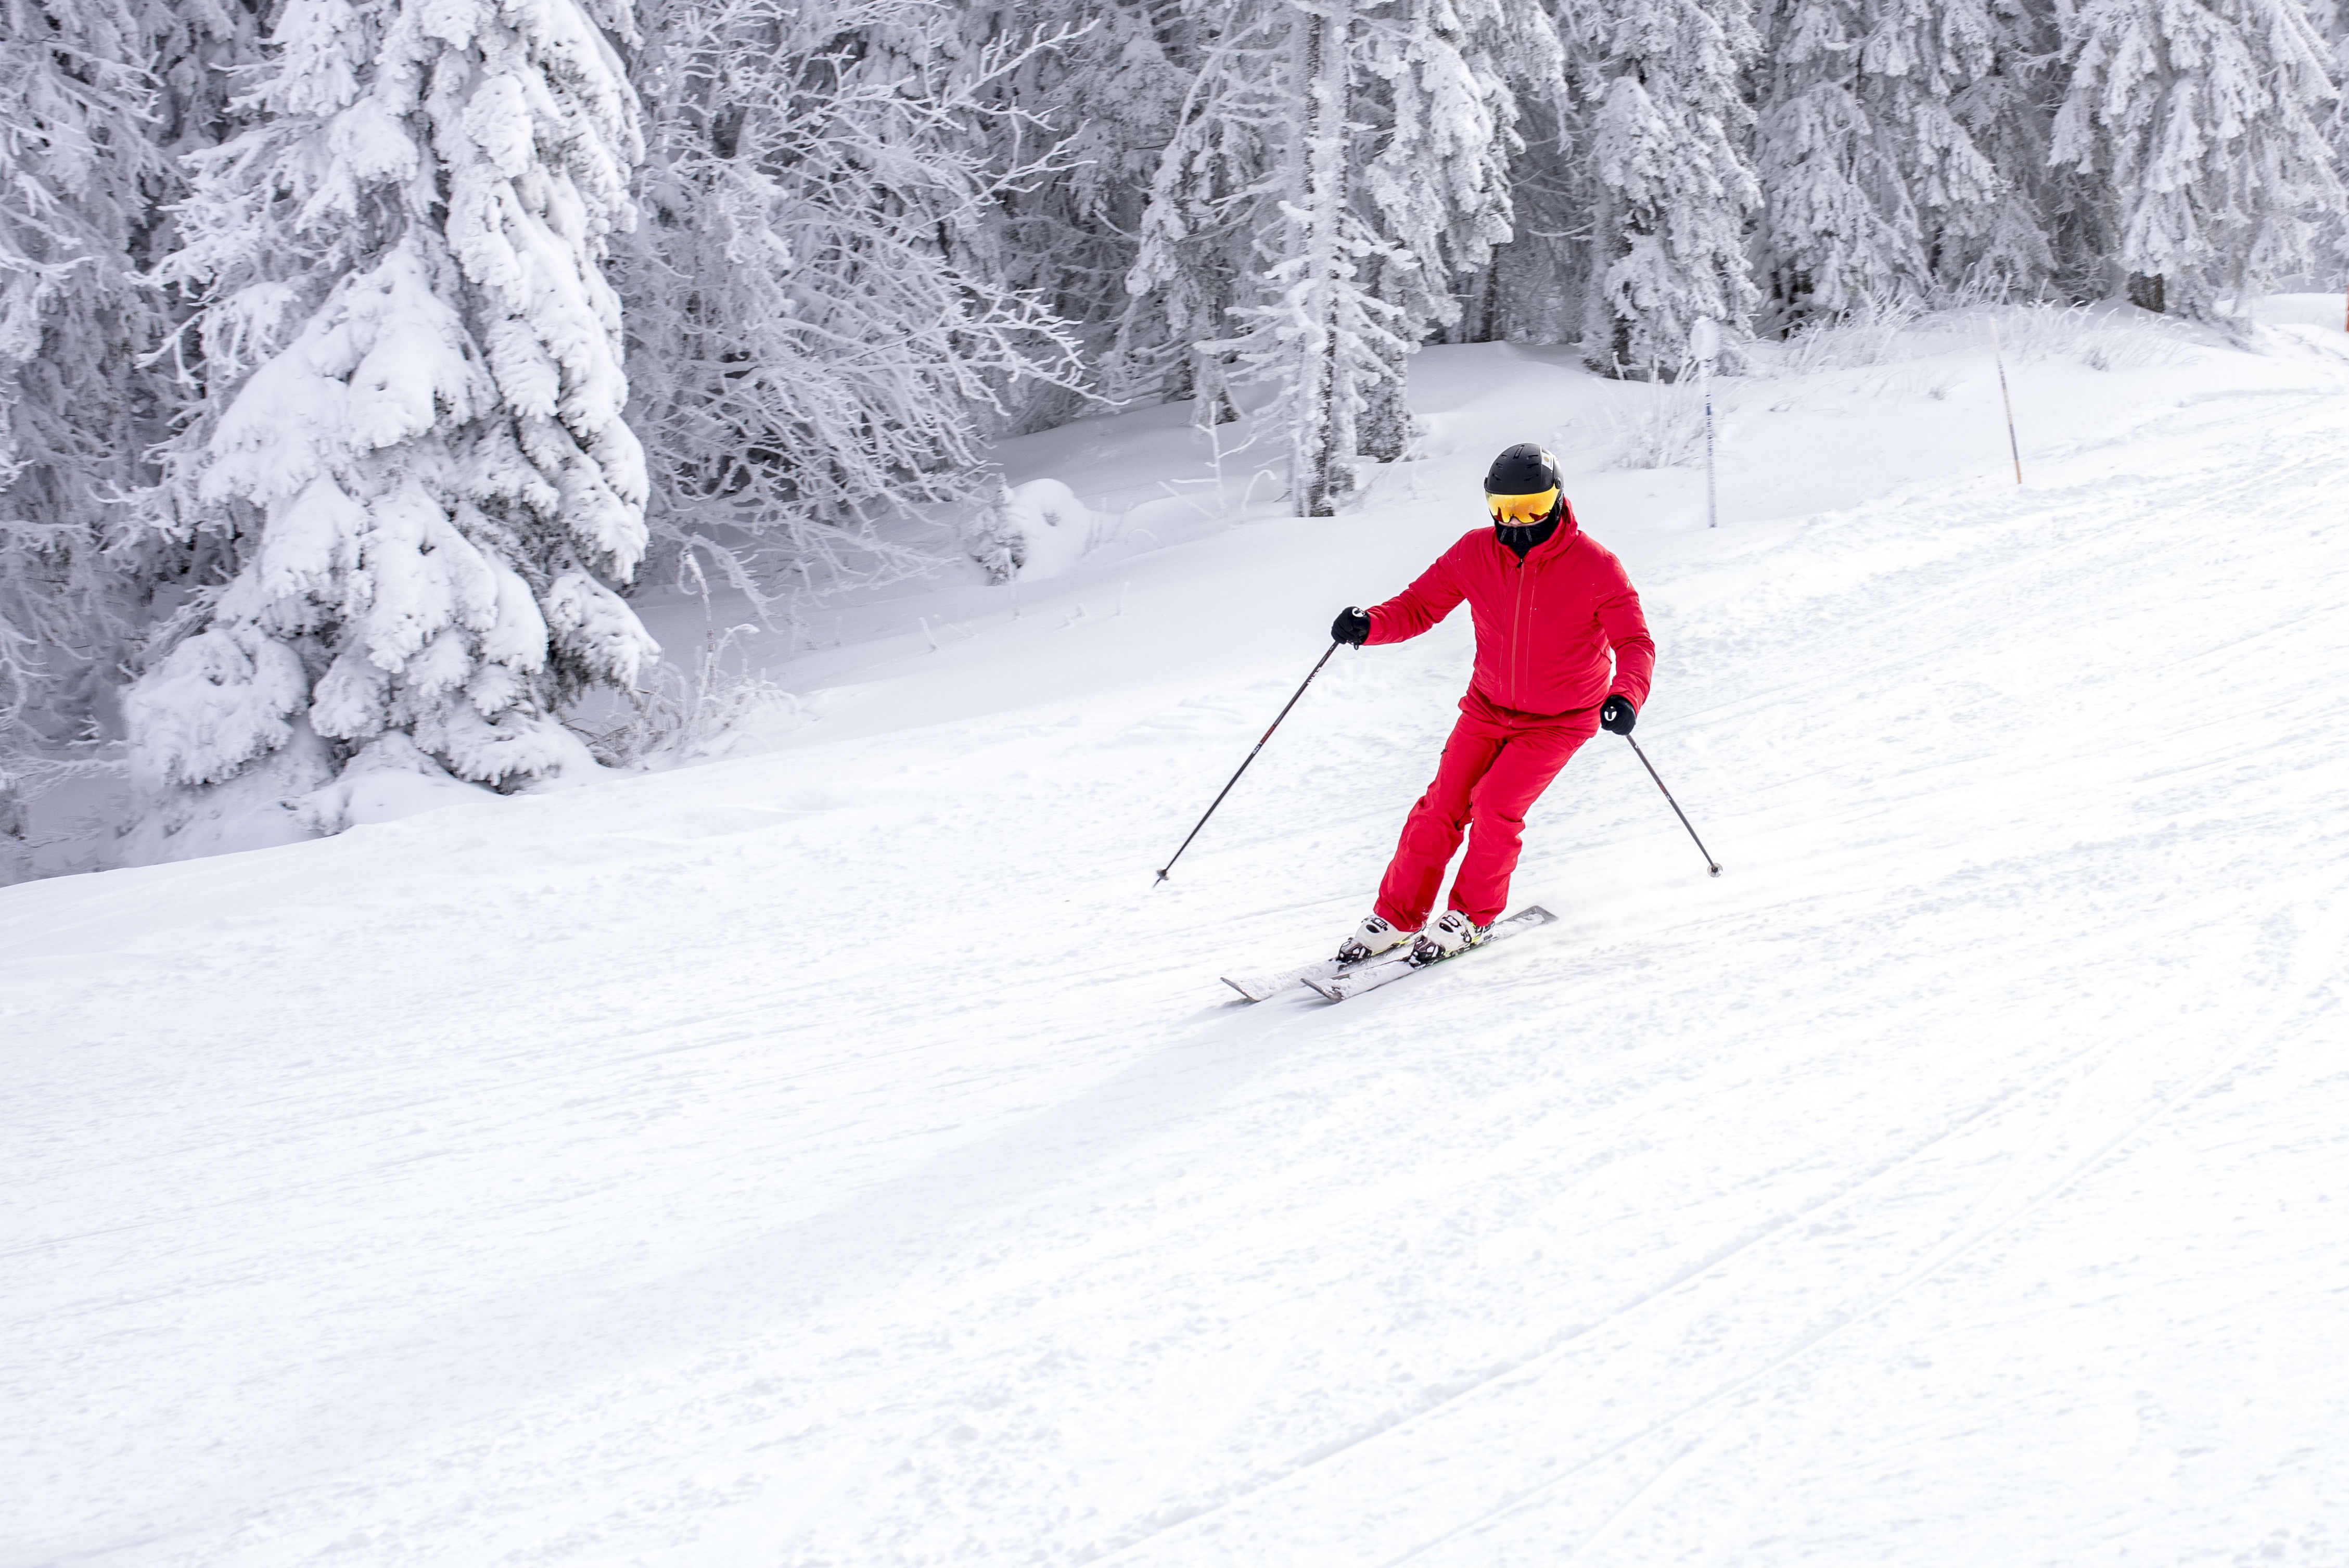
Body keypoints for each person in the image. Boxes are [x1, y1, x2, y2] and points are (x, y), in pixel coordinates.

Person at [1331, 443, 1654, 965]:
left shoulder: (1594, 566)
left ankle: (1471, 917)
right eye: (1503, 508)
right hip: (1486, 709)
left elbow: (1634, 643)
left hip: (1558, 720)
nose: (1517, 521)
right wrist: (1369, 625)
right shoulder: (1474, 552)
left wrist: (1625, 695)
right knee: (1441, 806)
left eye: (1531, 507)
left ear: (1557, 500)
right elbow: (1417, 606)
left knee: (1495, 805)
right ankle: (1396, 916)